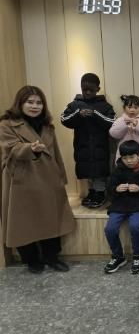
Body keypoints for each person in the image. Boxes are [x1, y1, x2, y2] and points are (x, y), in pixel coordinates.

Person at [0, 86, 75, 273]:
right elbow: (9, 149)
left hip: (48, 178)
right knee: (24, 221)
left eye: (39, 102)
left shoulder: (47, 126)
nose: (35, 106)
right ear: (20, 103)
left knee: (51, 218)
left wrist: (61, 177)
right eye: (30, 102)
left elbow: (56, 154)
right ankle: (31, 260)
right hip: (21, 179)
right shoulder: (6, 124)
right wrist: (29, 148)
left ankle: (52, 257)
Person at [60, 72, 115, 208]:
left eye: (91, 89)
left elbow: (112, 122)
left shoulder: (105, 106)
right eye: (85, 89)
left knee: (100, 170)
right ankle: (92, 192)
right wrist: (78, 114)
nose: (88, 92)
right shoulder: (74, 105)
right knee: (87, 170)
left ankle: (100, 193)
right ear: (81, 88)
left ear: (98, 89)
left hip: (101, 146)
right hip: (82, 145)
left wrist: (95, 114)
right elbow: (64, 119)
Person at [104, 140, 139, 275]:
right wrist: (116, 189)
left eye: (132, 157)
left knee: (135, 226)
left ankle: (137, 256)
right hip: (120, 204)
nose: (128, 161)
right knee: (110, 229)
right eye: (125, 158)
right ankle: (118, 256)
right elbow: (109, 188)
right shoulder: (118, 169)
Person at [110, 94, 139, 161]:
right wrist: (124, 124)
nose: (132, 110)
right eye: (129, 107)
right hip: (125, 154)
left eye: (135, 107)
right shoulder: (120, 120)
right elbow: (114, 134)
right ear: (124, 108)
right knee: (125, 167)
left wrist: (138, 124)